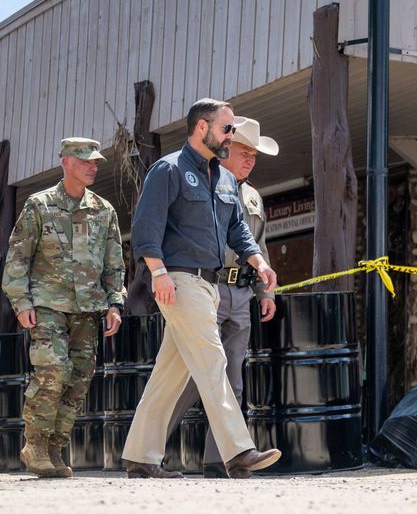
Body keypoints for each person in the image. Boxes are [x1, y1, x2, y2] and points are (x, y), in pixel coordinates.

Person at [120, 99, 281, 479]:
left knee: (169, 375)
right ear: (200, 128)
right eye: (227, 129)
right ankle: (239, 451)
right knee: (213, 363)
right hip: (178, 281)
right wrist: (158, 274)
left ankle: (140, 456)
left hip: (208, 286)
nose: (231, 136)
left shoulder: (224, 179)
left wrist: (259, 262)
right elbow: (145, 229)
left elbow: (238, 230)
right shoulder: (168, 169)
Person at [2, 137, 125, 478]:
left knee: (79, 378)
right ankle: (35, 444)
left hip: (88, 308)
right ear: (65, 162)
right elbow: (17, 259)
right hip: (47, 306)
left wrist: (115, 303)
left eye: (95, 161)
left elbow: (115, 264)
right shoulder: (39, 206)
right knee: (53, 371)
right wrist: (21, 301)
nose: (92, 166)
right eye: (85, 160)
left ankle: (55, 449)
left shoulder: (104, 210)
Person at [165, 116, 279, 478]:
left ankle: (223, 460)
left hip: (241, 293)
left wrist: (264, 290)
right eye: (245, 152)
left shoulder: (253, 196)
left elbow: (256, 242)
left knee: (233, 378)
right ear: (226, 150)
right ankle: (148, 447)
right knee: (186, 379)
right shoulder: (203, 183)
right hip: (205, 288)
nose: (250, 160)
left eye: (255, 156)